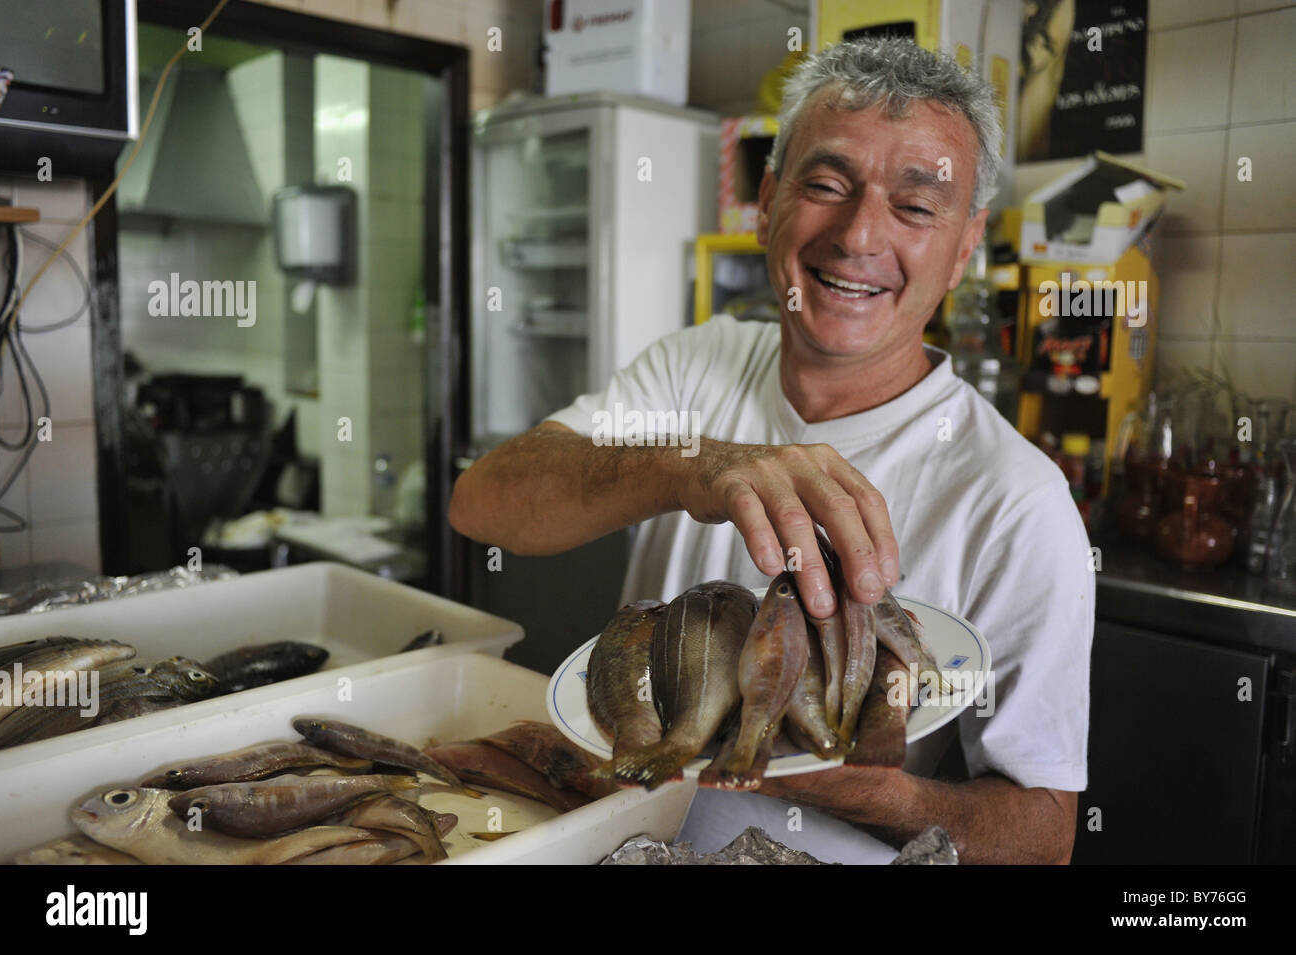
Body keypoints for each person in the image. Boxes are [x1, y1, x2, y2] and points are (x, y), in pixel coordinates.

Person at [450, 37, 1093, 864]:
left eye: (916, 206)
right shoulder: (695, 366)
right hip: (615, 841)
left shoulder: (1016, 500)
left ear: (965, 246)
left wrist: (853, 783)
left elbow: (1044, 835)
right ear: (767, 201)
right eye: (826, 185)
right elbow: (483, 501)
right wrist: (690, 464)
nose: (859, 234)